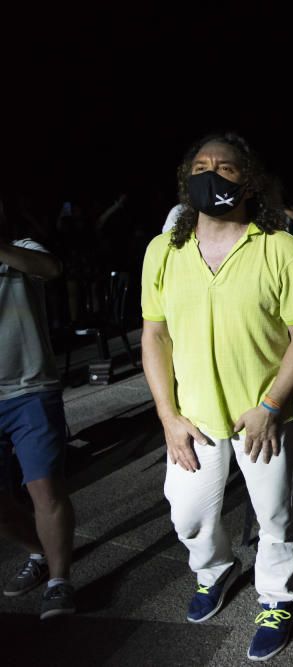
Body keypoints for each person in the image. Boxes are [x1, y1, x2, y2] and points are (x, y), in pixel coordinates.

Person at [141, 133, 293, 661]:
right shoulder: (163, 251)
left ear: (250, 182)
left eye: (226, 167)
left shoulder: (279, 247)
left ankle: (276, 599)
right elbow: (154, 334)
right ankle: (215, 570)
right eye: (201, 166)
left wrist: (269, 407)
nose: (212, 175)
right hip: (193, 417)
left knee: (275, 517)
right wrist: (168, 416)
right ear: (185, 179)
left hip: (260, 417)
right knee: (187, 515)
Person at [0, 196, 77, 619]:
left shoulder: (24, 249)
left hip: (31, 389)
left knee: (44, 488)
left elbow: (51, 269)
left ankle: (59, 580)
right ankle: (38, 553)